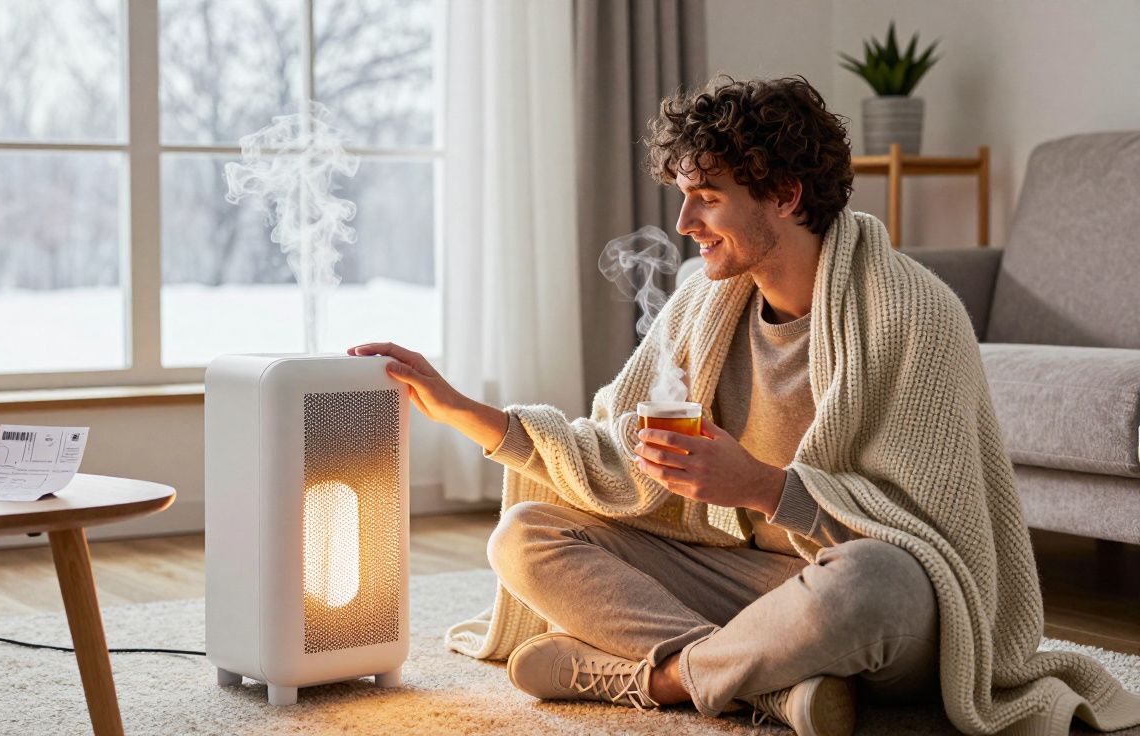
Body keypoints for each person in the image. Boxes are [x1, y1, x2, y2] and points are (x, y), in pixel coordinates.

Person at [349, 76, 1140, 736]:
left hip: (867, 596)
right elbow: (609, 454)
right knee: (526, 535)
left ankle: (653, 681)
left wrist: (761, 486)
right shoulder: (702, 304)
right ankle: (769, 687)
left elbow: (934, 540)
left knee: (869, 586)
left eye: (707, 199)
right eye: (684, 198)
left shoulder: (913, 314)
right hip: (755, 589)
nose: (686, 224)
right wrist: (462, 410)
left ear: (786, 194)